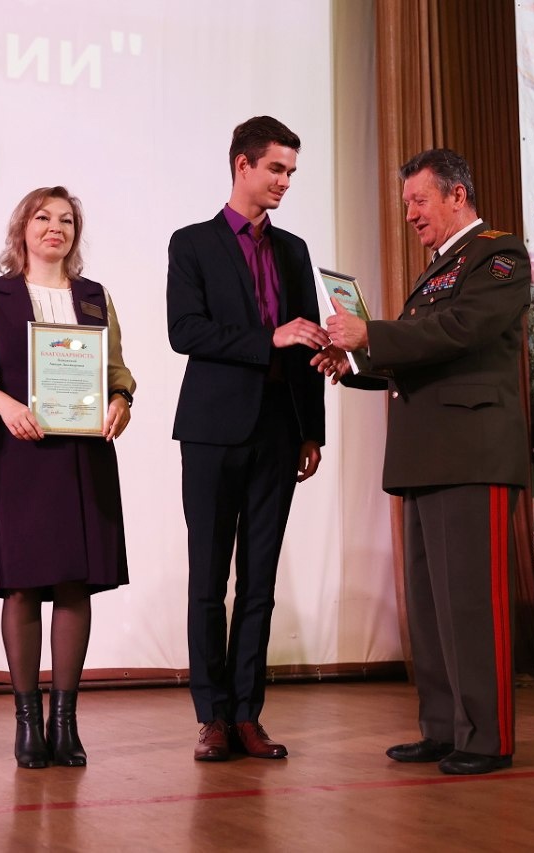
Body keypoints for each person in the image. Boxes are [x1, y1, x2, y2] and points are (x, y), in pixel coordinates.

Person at [319, 148, 529, 775]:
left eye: (419, 199)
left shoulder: (498, 255)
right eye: (406, 201)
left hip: (472, 453)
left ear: (457, 196)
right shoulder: (440, 266)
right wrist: (354, 362)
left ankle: (486, 738)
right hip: (427, 455)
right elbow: (421, 355)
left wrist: (372, 335)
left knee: (472, 605)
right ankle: (442, 729)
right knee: (433, 608)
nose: (410, 213)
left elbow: (461, 330)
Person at [167, 116, 328, 761]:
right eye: (276, 169)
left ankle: (246, 714)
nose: (285, 181)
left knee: (259, 580)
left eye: (291, 172)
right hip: (212, 432)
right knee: (209, 579)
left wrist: (312, 429)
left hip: (279, 431)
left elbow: (308, 338)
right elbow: (185, 331)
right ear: (243, 165)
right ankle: (211, 715)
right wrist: (270, 337)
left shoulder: (294, 250)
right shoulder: (192, 243)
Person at [0, 186, 134, 769]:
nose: (55, 227)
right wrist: (6, 406)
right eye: (43, 217)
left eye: (66, 220)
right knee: (23, 585)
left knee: (75, 584)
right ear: (23, 228)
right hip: (22, 453)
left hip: (84, 456)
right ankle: (28, 723)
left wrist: (120, 402)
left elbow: (117, 371)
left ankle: (65, 723)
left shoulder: (95, 297)